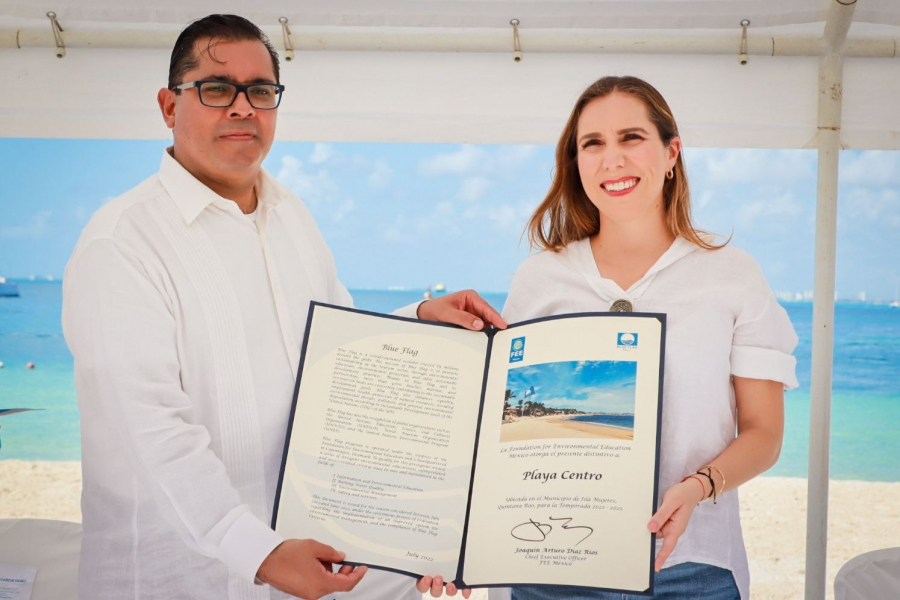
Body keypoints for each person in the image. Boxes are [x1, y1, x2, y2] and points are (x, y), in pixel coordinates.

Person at [62, 14, 500, 600]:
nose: (242, 107)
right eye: (216, 89)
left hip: (303, 564)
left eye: (260, 91)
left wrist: (420, 318)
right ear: (170, 106)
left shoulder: (292, 215)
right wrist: (261, 553)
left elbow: (336, 354)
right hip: (178, 582)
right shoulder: (121, 242)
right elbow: (151, 434)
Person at [497, 76, 798, 600]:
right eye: (592, 144)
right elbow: (505, 433)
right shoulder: (538, 280)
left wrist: (699, 486)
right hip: (554, 565)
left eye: (631, 137)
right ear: (576, 163)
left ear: (671, 152)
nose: (611, 159)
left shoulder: (732, 275)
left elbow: (764, 432)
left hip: (693, 569)